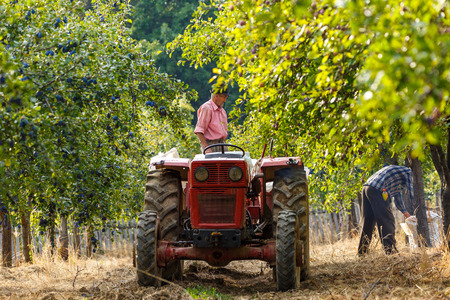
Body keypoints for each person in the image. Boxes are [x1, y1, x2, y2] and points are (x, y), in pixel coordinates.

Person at [358, 165, 413, 255]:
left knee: (368, 222)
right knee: (387, 221)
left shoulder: (398, 175)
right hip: (377, 189)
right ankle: (390, 251)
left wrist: (405, 212)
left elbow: (397, 195)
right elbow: (411, 192)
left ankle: (362, 252)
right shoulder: (408, 173)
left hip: (367, 188)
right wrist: (414, 204)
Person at [194, 85, 228, 153]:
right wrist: (206, 147)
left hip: (222, 144)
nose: (225, 100)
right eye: (224, 97)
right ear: (216, 96)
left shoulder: (223, 111)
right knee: (212, 163)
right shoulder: (207, 108)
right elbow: (199, 131)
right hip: (210, 145)